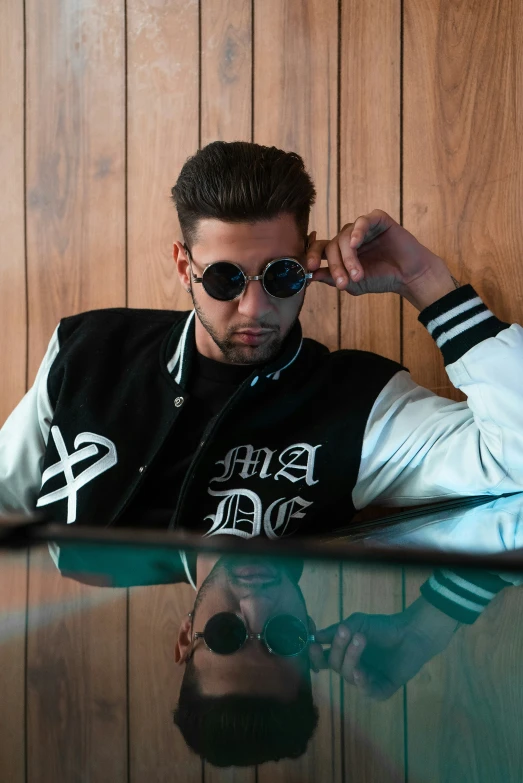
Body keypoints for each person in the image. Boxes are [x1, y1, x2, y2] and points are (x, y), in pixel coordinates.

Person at [1, 140, 523, 762]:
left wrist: (425, 282)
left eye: (280, 276)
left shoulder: (354, 402)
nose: (255, 308)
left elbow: (512, 458)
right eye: (224, 278)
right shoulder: (89, 350)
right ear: (183, 264)